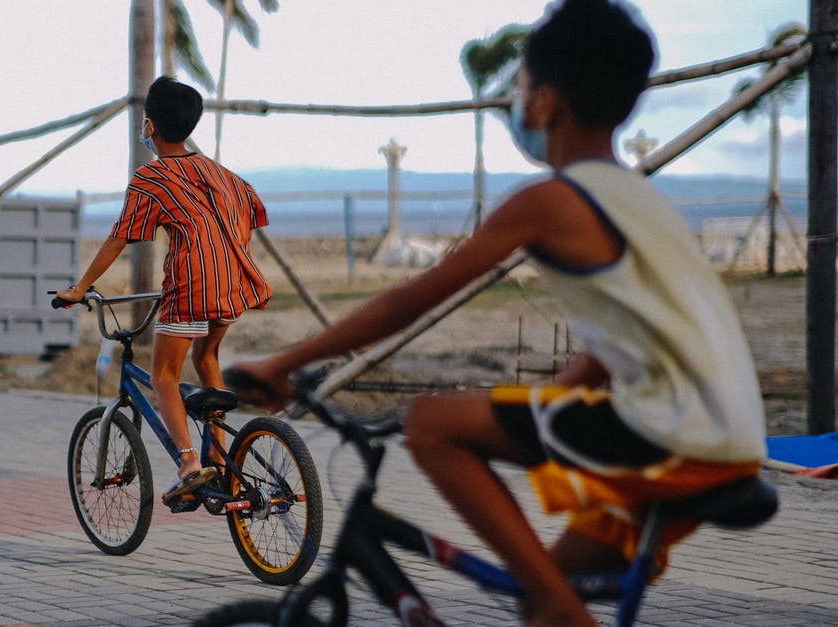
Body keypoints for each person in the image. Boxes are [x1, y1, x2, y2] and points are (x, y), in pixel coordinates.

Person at [225, 1, 767, 625]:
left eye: (521, 86)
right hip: (726, 437)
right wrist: (548, 401)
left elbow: (412, 298)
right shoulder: (642, 199)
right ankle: (553, 602)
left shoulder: (551, 201)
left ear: (546, 102)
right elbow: (629, 340)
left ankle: (562, 609)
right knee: (537, 597)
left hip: (670, 432)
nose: (518, 102)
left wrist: (284, 362)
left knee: (432, 424)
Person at [56, 76, 273, 507]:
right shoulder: (221, 172)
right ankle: (218, 451)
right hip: (237, 281)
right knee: (206, 356)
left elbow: (121, 236)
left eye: (143, 119)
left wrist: (81, 288)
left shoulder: (151, 177)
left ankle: (190, 464)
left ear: (150, 126)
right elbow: (249, 212)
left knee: (163, 377)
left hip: (191, 285)